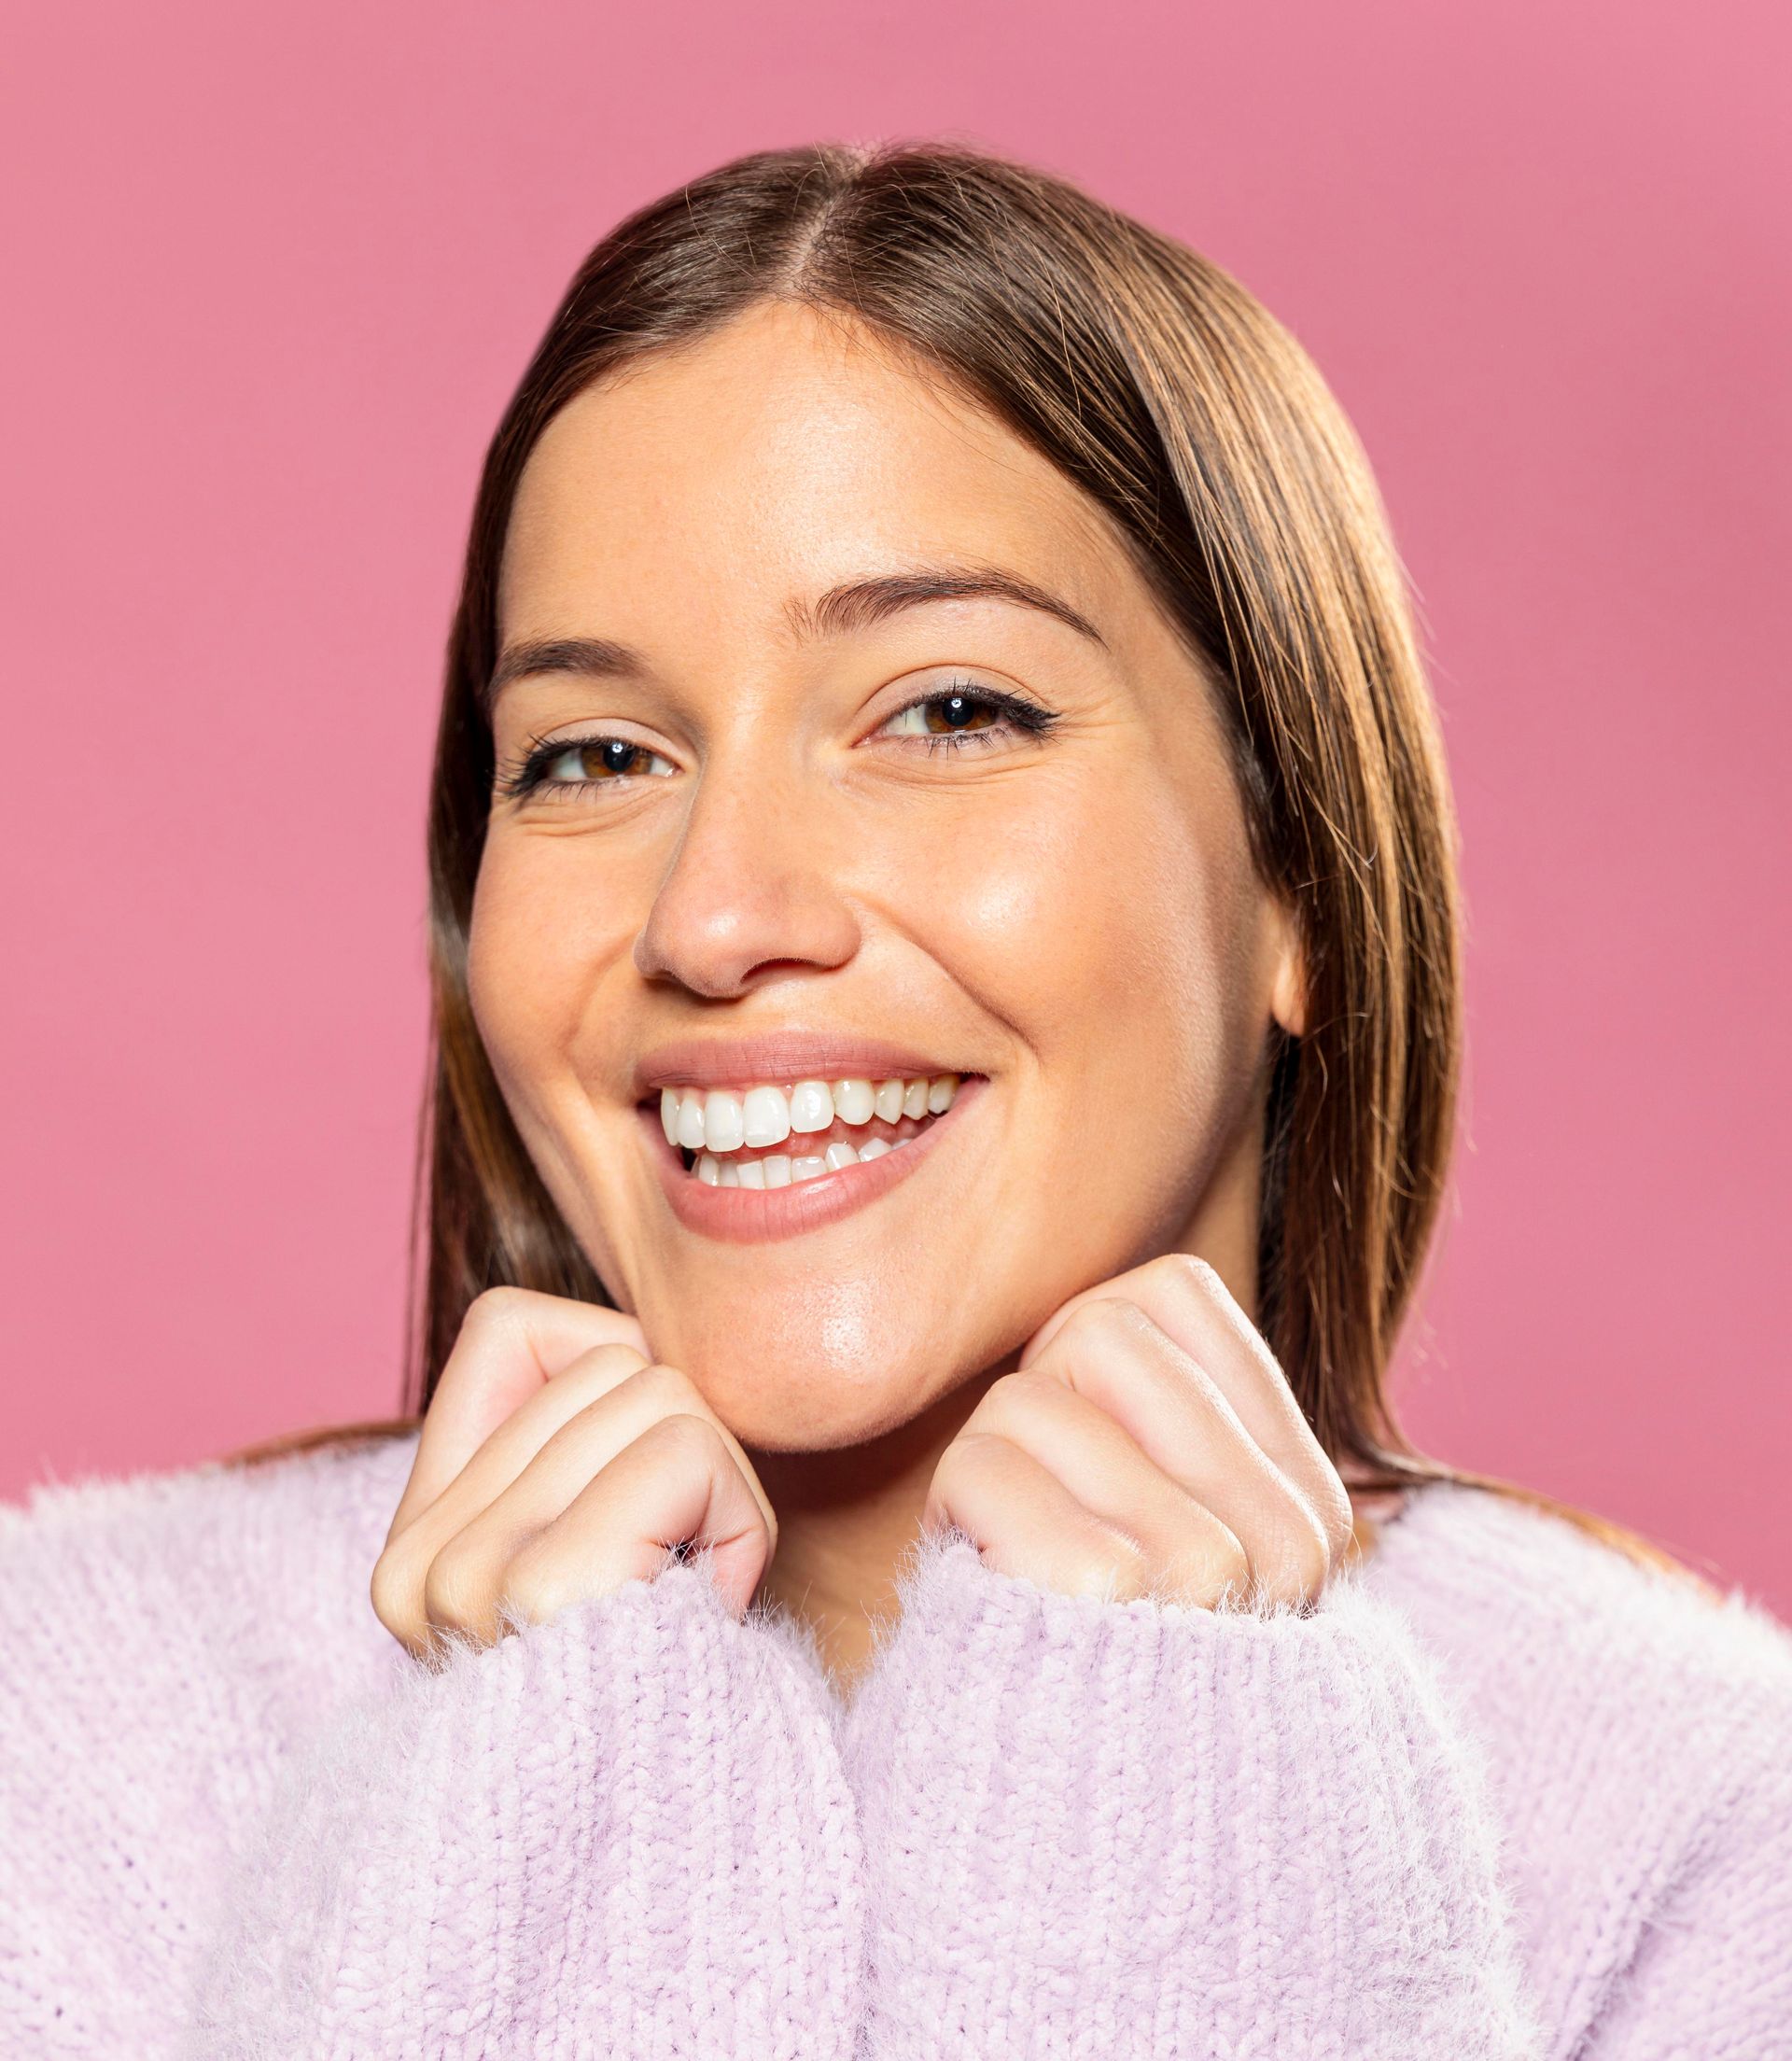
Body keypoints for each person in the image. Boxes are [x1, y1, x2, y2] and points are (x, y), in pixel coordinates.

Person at [3, 139, 1787, 2059]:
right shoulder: (71, 1729)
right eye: (595, 753)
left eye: (947, 712)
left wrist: (1185, 1819)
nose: (715, 914)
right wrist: (533, 1805)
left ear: (1301, 888)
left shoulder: (1705, 1836)